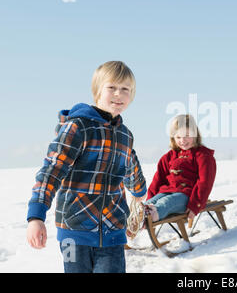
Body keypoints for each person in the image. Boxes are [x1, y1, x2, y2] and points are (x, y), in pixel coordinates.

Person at [26, 61, 147, 273]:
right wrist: (36, 216)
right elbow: (51, 171)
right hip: (74, 233)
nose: (118, 94)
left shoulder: (125, 135)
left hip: (113, 232)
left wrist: (139, 194)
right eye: (112, 87)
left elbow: (131, 167)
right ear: (97, 90)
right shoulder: (78, 127)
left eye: (125, 89)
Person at [127, 114, 216, 238]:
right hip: (167, 191)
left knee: (167, 202)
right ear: (173, 137)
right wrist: (149, 200)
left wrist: (196, 205)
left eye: (187, 136)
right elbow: (158, 179)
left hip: (188, 196)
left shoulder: (203, 155)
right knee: (155, 201)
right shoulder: (169, 156)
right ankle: (135, 219)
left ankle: (145, 217)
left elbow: (205, 182)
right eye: (178, 137)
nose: (183, 140)